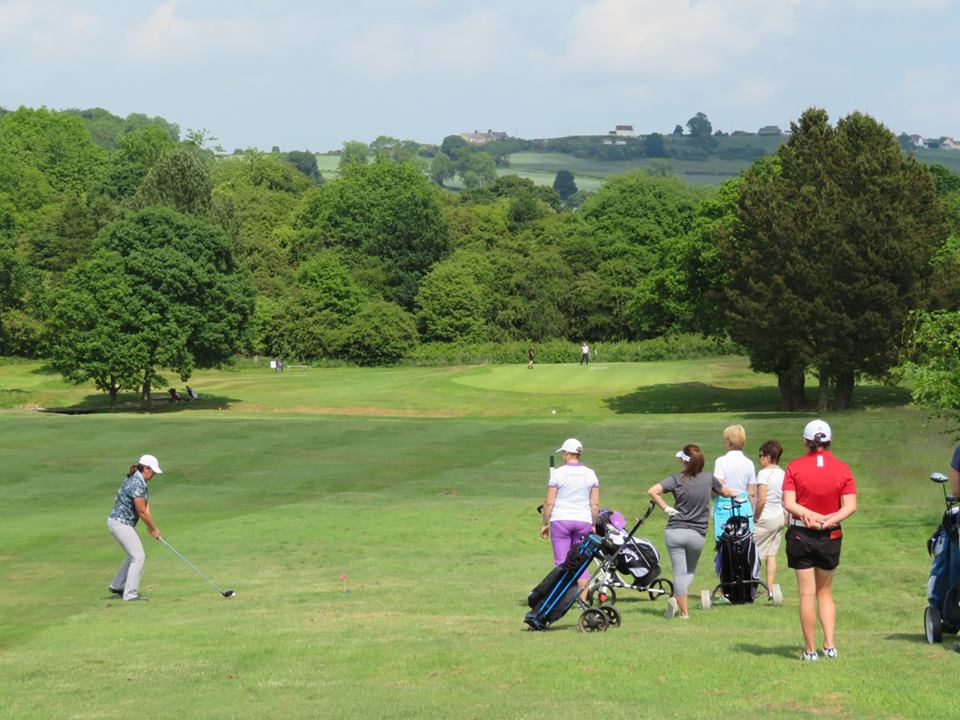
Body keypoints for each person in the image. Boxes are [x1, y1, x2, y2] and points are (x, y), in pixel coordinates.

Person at [783, 419, 857, 661]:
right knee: (824, 592)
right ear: (829, 441)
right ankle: (831, 645)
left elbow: (789, 503)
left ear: (805, 442)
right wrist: (827, 520)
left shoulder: (794, 467)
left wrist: (811, 517)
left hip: (801, 533)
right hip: (830, 535)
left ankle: (810, 650)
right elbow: (851, 506)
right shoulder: (843, 468)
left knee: (806, 594)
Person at [648, 444, 737, 619]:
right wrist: (735, 494)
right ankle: (682, 610)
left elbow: (653, 491)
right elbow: (725, 492)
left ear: (684, 461)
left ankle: (680, 607)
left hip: (675, 532)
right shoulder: (708, 478)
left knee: (679, 572)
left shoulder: (676, 479)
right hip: (697, 534)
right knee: (688, 572)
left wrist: (666, 508)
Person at [540, 438, 599, 601]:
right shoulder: (590, 473)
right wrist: (593, 524)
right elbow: (595, 504)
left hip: (561, 520)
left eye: (563, 453)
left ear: (567, 453)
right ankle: (582, 601)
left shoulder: (558, 473)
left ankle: (559, 599)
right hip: (583, 521)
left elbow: (549, 503)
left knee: (561, 562)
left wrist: (545, 524)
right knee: (581, 562)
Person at [107, 454, 164, 602]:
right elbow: (142, 512)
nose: (154, 475)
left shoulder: (138, 479)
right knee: (138, 556)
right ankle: (130, 594)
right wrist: (154, 528)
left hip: (118, 523)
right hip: (120, 524)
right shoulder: (137, 483)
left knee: (132, 554)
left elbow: (146, 507)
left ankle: (118, 585)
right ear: (146, 469)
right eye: (153, 472)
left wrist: (151, 528)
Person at [753, 439, 787, 600]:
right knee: (771, 554)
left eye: (760, 456)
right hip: (780, 517)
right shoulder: (783, 473)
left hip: (766, 518)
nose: (759, 459)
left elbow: (761, 500)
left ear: (767, 457)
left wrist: (755, 518)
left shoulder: (764, 473)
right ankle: (770, 590)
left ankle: (751, 586)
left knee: (751, 552)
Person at [712, 424, 757, 539]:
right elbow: (751, 492)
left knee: (724, 544)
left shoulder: (721, 461)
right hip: (744, 507)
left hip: (725, 507)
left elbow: (718, 488)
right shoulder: (749, 463)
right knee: (744, 542)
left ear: (728, 441)